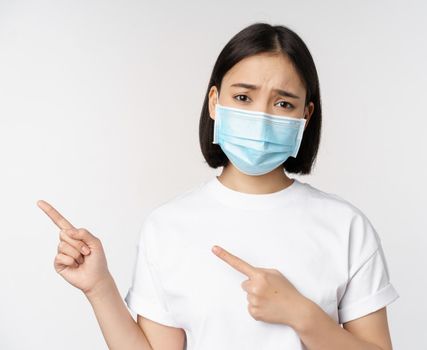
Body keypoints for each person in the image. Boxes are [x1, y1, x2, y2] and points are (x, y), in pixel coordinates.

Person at [37, 22, 400, 350]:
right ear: (215, 102)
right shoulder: (168, 226)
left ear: (305, 115)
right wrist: (99, 287)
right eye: (243, 97)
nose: (261, 117)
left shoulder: (345, 227)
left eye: (283, 103)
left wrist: (301, 314)